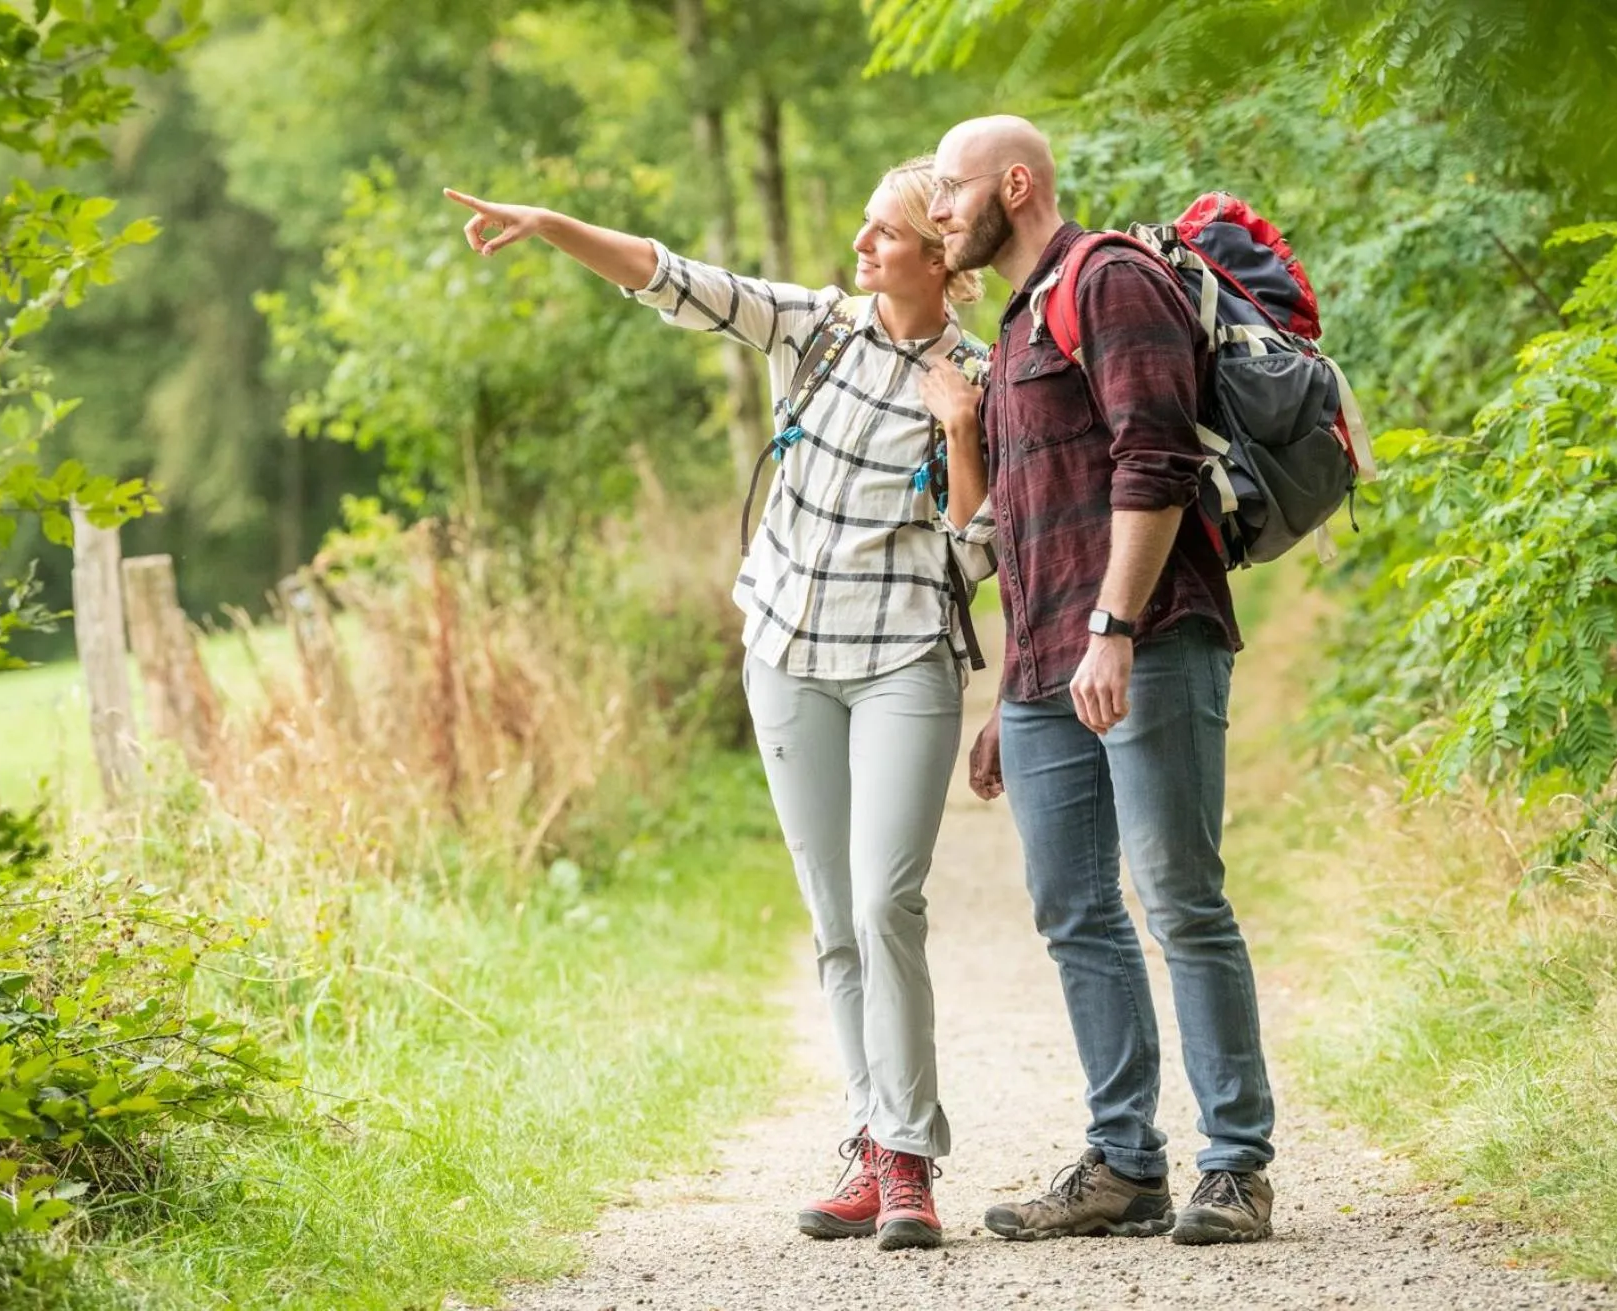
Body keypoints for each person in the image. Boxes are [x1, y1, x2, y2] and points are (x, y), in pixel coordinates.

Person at [444, 157, 994, 1252]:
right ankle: (873, 1150)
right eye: (862, 230)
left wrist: (963, 431)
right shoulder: (819, 330)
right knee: (836, 921)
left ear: (939, 256)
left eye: (882, 233)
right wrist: (552, 225)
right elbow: (673, 278)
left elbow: (977, 548)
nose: (859, 246)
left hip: (902, 661)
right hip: (787, 652)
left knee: (889, 904)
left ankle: (914, 1160)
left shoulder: (982, 373)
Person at [922, 115, 1277, 1246]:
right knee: (1074, 909)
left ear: (1014, 185)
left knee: (1179, 897)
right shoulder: (1022, 320)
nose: (937, 210)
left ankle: (1238, 1167)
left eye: (949, 188)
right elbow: (1033, 523)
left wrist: (1115, 626)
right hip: (1046, 671)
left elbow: (1155, 456)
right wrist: (1009, 695)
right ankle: (1126, 1163)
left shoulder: (1109, 280)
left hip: (1152, 634)